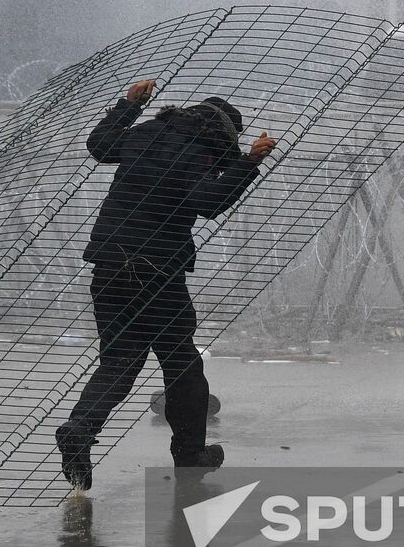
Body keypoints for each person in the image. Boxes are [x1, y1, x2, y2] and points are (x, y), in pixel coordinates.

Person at [55, 79, 277, 490]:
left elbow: (100, 145)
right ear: (223, 134)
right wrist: (249, 163)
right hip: (156, 271)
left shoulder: (145, 133)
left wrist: (129, 103)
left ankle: (80, 429)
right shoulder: (198, 153)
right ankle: (190, 455)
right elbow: (208, 202)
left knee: (119, 359)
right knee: (181, 364)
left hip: (108, 263)